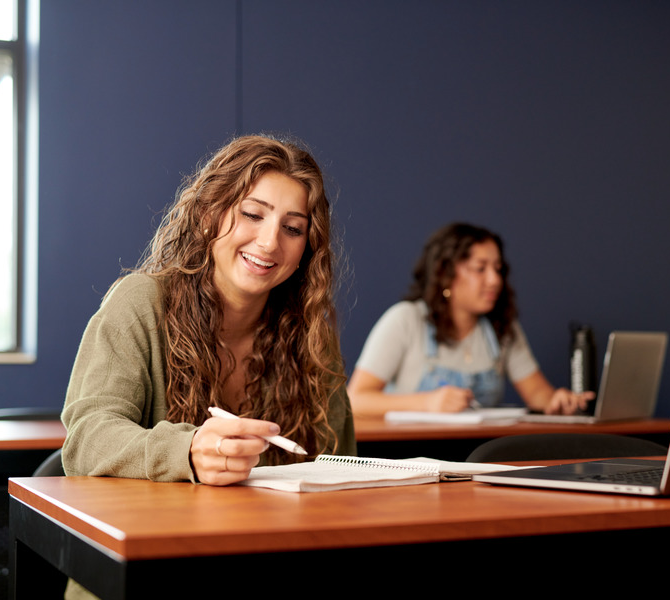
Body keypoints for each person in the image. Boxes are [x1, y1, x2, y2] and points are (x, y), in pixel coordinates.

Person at [62, 134, 355, 488]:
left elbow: (340, 466)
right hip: (161, 535)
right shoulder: (142, 302)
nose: (269, 242)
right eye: (252, 214)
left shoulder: (311, 335)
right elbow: (85, 440)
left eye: (293, 229)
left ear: (305, 250)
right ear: (208, 214)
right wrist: (186, 452)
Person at [348, 223, 592, 416]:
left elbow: (539, 394)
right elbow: (356, 399)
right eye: (480, 268)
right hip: (408, 459)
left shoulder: (503, 329)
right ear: (445, 274)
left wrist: (558, 401)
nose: (494, 280)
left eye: (498, 269)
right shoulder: (405, 319)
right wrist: (428, 403)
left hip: (480, 456)